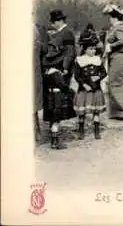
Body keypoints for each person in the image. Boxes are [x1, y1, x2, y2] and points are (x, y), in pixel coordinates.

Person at [41, 10, 77, 150]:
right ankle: (54, 140)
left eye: (53, 22)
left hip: (60, 71)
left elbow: (70, 53)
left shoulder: (67, 32)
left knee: (56, 102)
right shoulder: (57, 33)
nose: (52, 24)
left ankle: (54, 138)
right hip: (53, 72)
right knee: (55, 103)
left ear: (59, 21)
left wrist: (65, 68)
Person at [73, 35, 107, 140]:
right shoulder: (80, 60)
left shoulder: (97, 59)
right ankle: (81, 131)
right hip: (84, 89)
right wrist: (84, 84)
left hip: (96, 89)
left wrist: (98, 77)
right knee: (82, 112)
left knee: (96, 111)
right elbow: (77, 76)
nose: (93, 51)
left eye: (94, 49)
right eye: (90, 49)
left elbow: (104, 73)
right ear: (85, 49)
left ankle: (96, 131)